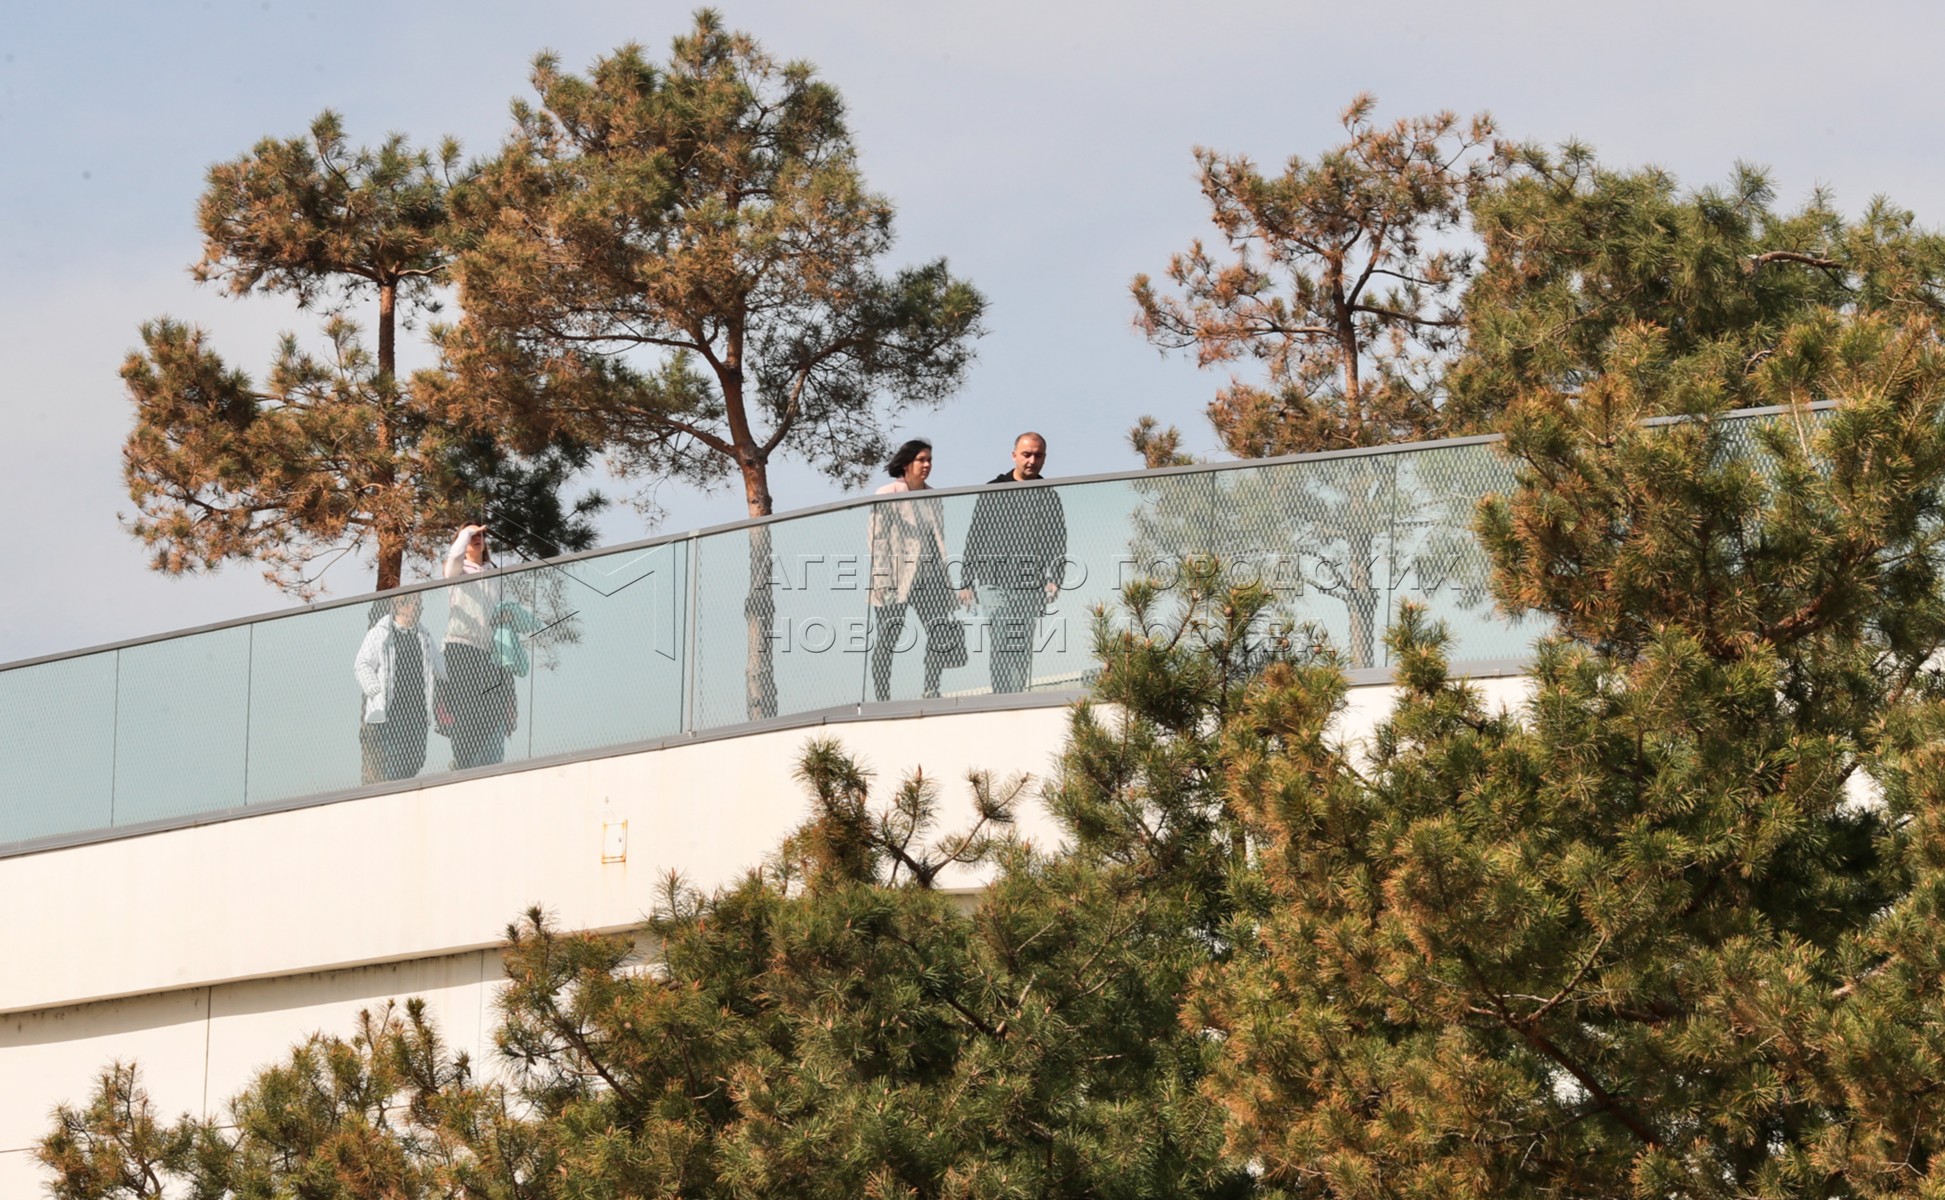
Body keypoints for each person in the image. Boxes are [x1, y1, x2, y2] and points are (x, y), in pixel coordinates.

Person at [963, 432, 1067, 693]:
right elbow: (975, 536)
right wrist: (965, 581)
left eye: (1038, 455)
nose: (1032, 460)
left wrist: (1056, 579)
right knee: (1000, 640)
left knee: (1020, 645)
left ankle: (1018, 697)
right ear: (1014, 456)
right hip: (993, 581)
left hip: (1030, 584)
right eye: (1026, 454)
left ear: (1044, 458)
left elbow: (1057, 542)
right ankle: (1001, 698)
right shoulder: (993, 490)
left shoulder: (1048, 495)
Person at [867, 439, 966, 700]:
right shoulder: (888, 493)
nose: (927, 465)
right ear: (906, 463)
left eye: (929, 460)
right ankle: (882, 698)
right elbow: (877, 540)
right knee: (888, 637)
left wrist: (947, 583)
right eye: (921, 459)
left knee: (938, 631)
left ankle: (931, 689)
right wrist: (882, 578)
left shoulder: (933, 496)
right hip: (896, 578)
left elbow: (938, 540)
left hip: (930, 577)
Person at [353, 591, 445, 782]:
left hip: (418, 713)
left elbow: (440, 667)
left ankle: (402, 786)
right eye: (416, 604)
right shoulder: (381, 633)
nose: (421, 609)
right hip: (392, 712)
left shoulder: (424, 636)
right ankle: (395, 790)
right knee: (395, 760)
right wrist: (373, 688)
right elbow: (362, 664)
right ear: (401, 606)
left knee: (416, 759)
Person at [443, 521, 509, 768]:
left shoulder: (494, 573)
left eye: (481, 536)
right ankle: (462, 761)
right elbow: (452, 562)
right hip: (460, 645)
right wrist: (467, 532)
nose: (477, 539)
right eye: (472, 537)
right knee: (465, 708)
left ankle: (476, 760)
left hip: (487, 650)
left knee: (490, 709)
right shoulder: (459, 569)